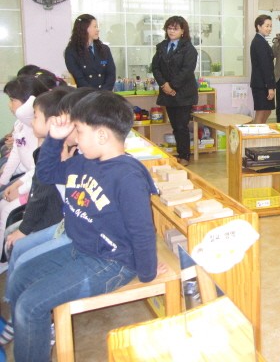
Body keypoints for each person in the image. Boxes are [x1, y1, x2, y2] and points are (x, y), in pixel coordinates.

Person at [7, 90, 163, 361]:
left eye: (79, 131)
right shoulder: (83, 162)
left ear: (101, 135)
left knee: (30, 306)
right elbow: (46, 173)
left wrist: (147, 273)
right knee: (20, 277)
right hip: (80, 247)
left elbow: (142, 231)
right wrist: (54, 140)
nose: (75, 138)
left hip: (111, 262)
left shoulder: (128, 176)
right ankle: (29, 337)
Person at [0, 87, 75, 347]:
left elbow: (41, 195)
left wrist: (25, 229)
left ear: (54, 121)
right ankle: (16, 310)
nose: (31, 122)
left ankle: (33, 318)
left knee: (18, 244)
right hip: (52, 219)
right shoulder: (49, 147)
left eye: (36, 117)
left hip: (54, 221)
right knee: (14, 242)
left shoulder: (55, 150)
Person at [0, 76, 53, 256]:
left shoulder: (37, 128)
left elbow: (38, 171)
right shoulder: (21, 124)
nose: (9, 105)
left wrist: (19, 189)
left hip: (32, 186)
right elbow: (16, 153)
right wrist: (4, 181)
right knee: (2, 202)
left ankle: (4, 258)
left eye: (12, 100)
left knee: (6, 209)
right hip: (26, 180)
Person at [151, 16, 198, 166]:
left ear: (183, 31)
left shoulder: (189, 49)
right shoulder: (162, 46)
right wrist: (164, 85)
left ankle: (185, 156)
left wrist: (172, 86)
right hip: (168, 93)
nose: (171, 31)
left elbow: (187, 71)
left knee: (181, 126)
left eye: (175, 29)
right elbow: (155, 68)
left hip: (184, 93)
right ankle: (180, 153)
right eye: (169, 28)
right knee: (175, 126)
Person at [64, 14, 116, 90]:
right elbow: (79, 79)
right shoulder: (71, 52)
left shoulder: (105, 49)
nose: (98, 30)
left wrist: (103, 93)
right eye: (95, 26)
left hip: (105, 94)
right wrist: (94, 95)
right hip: (85, 95)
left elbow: (111, 74)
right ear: (84, 28)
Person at [249, 15, 276, 124]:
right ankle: (256, 133)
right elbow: (265, 66)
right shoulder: (259, 42)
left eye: (270, 26)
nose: (269, 28)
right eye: (267, 26)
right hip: (261, 85)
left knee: (267, 111)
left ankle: (261, 131)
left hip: (263, 83)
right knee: (261, 112)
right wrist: (270, 87)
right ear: (258, 26)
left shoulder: (262, 40)